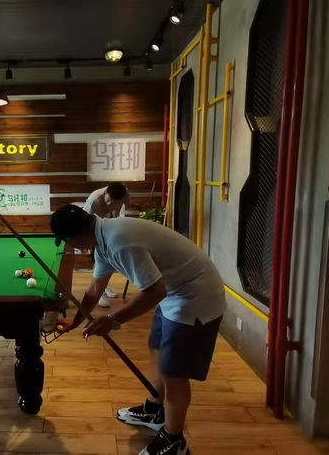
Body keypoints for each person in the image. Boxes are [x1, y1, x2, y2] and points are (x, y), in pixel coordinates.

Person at [51, 204, 226, 455]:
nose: (70, 248)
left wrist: (113, 319)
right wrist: (76, 321)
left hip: (195, 295)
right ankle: (155, 410)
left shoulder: (119, 242)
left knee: (174, 373)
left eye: (67, 243)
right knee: (157, 348)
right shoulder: (102, 239)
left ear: (73, 238)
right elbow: (95, 289)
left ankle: (174, 440)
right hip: (174, 292)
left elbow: (154, 292)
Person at [83, 182, 131, 307]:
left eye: (115, 203)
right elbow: (85, 223)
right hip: (95, 230)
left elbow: (128, 204)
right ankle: (100, 292)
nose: (110, 205)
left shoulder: (124, 193)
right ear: (105, 193)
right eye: (108, 201)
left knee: (109, 259)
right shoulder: (93, 200)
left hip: (111, 227)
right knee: (99, 259)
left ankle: (104, 286)